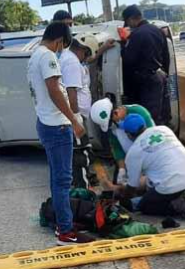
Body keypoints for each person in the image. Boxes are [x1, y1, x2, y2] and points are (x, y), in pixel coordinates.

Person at [28, 22, 94, 245]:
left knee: (58, 180)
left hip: (46, 123)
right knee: (63, 181)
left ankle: (64, 223)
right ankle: (65, 232)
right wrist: (73, 120)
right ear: (59, 41)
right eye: (62, 46)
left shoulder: (34, 55)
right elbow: (54, 89)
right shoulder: (47, 56)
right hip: (57, 126)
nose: (61, 50)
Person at [104, 114, 185, 221]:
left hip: (172, 186)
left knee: (145, 205)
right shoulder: (164, 129)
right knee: (173, 185)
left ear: (128, 134)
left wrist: (122, 195)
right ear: (144, 125)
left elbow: (132, 188)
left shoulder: (133, 153)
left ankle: (178, 205)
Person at [120, 5, 172, 126]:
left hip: (147, 80)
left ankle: (152, 140)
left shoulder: (137, 35)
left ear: (132, 19)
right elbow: (166, 56)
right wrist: (166, 74)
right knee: (162, 114)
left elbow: (129, 60)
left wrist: (124, 45)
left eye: (128, 22)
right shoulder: (157, 30)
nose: (128, 25)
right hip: (160, 76)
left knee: (149, 116)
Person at [89, 98, 154, 184]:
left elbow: (151, 139)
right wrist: (122, 169)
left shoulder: (139, 112)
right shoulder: (113, 127)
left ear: (116, 112)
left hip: (149, 155)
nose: (112, 124)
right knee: (119, 187)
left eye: (112, 121)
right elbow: (117, 147)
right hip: (130, 158)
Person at [60, 38, 95, 188]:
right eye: (86, 54)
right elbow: (71, 90)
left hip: (77, 114)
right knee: (80, 151)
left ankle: (85, 176)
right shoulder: (72, 63)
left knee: (81, 150)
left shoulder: (70, 58)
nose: (86, 58)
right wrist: (76, 118)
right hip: (76, 114)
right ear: (81, 49)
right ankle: (82, 185)